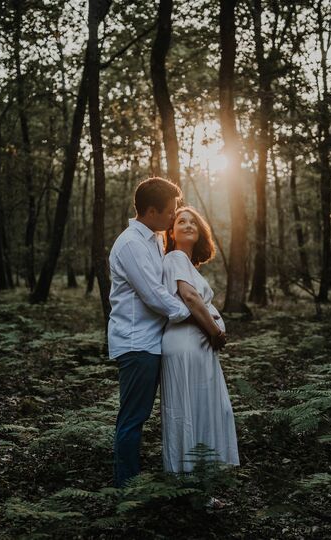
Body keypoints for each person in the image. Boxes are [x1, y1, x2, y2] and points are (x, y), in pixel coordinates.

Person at [108, 178, 226, 488]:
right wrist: (200, 319)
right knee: (134, 417)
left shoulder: (154, 240)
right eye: (171, 210)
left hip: (155, 341)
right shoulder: (131, 243)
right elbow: (154, 294)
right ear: (151, 211)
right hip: (137, 343)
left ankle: (166, 477)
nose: (174, 215)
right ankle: (127, 488)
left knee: (164, 411)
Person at [161, 206, 240, 476]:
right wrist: (215, 333)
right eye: (180, 221)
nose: (187, 225)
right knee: (188, 411)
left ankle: (200, 481)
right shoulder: (174, 257)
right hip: (186, 344)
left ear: (201, 231)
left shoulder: (187, 263)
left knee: (201, 409)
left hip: (196, 345)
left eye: (193, 221)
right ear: (171, 232)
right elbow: (191, 299)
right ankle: (188, 484)